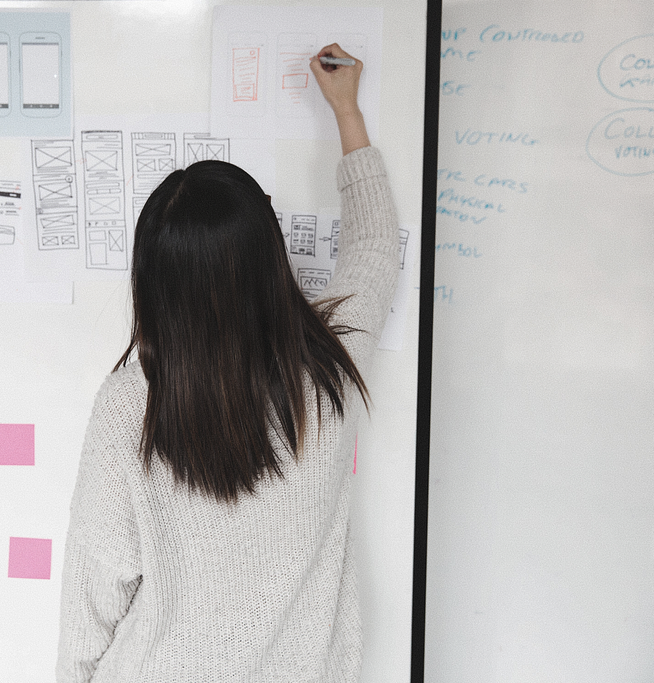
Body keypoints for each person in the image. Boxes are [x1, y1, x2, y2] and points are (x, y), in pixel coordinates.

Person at [57, 43, 399, 682]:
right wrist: (347, 112)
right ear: (270, 260)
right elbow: (376, 249)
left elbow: (93, 588)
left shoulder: (135, 402)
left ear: (153, 280)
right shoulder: (328, 374)